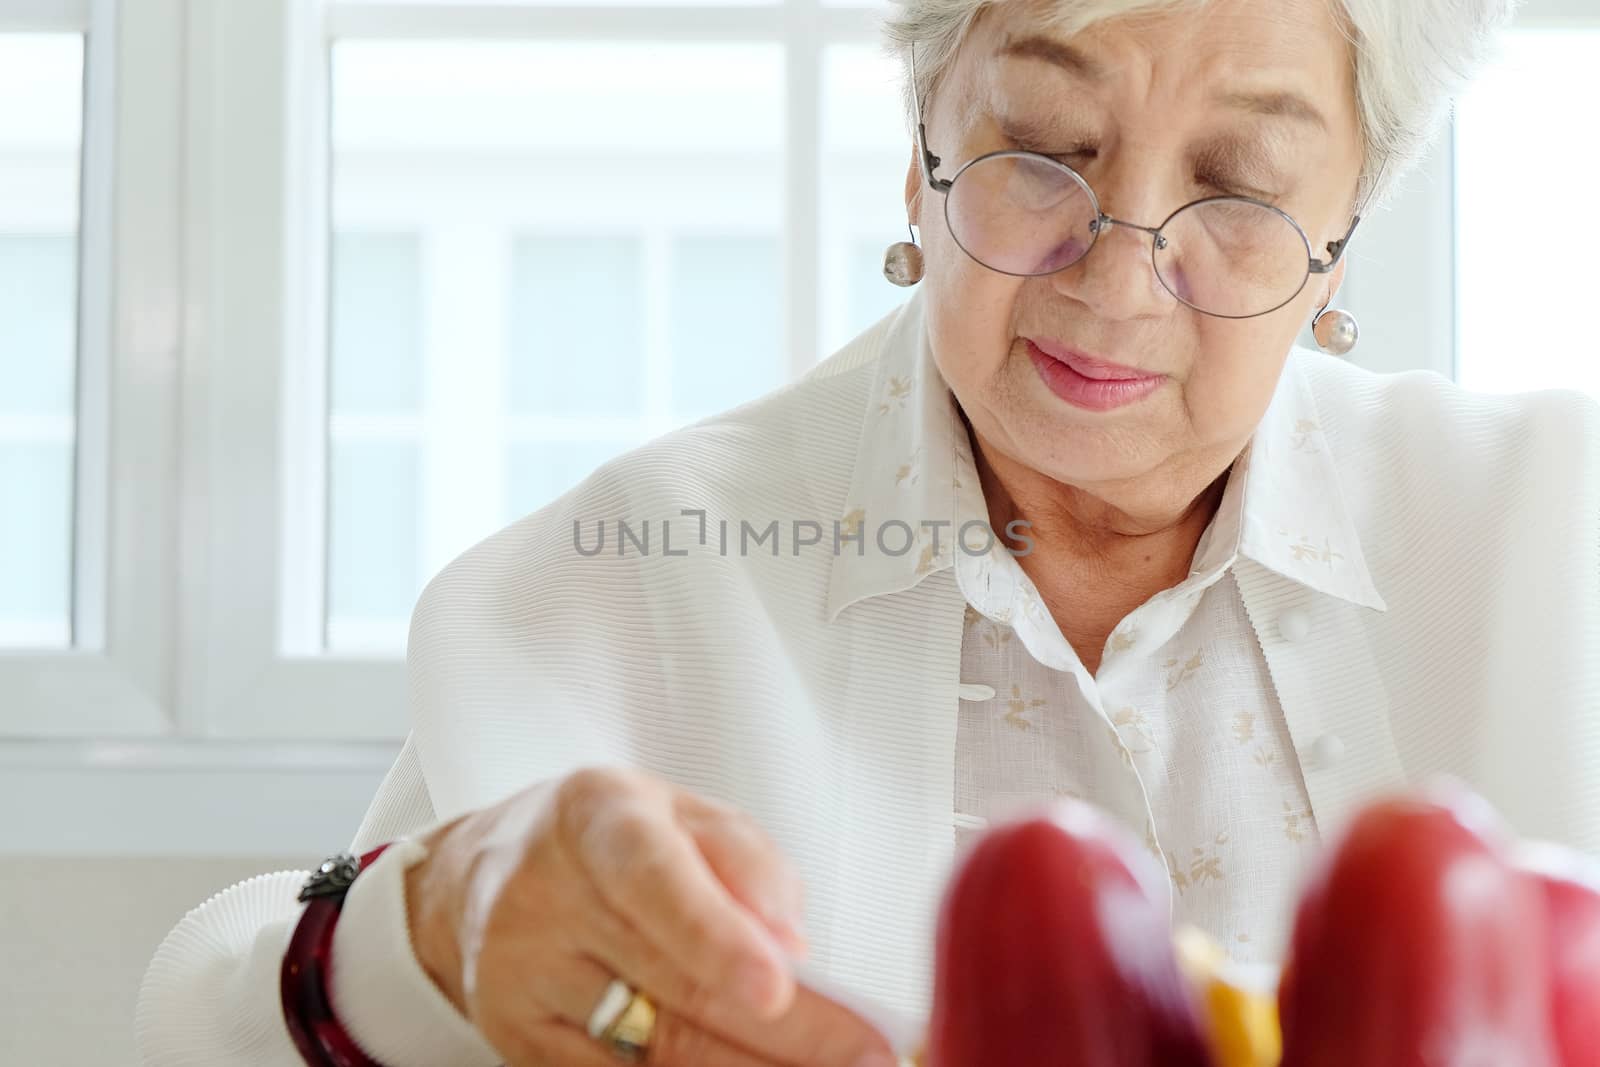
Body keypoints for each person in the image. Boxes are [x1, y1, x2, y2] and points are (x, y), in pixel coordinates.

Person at [138, 0, 1600, 1063]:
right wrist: (423, 936)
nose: (1119, 273)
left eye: (1238, 190)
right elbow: (219, 1009)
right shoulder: (640, 575)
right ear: (921, 154)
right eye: (1044, 145)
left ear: (1349, 224)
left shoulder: (1555, 530)